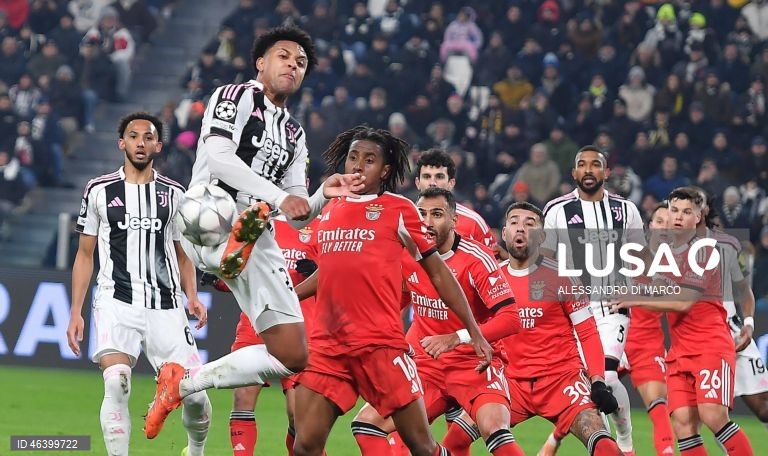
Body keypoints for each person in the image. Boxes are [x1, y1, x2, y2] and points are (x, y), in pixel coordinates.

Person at [143, 25, 364, 439]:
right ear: (261, 62)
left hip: (256, 232)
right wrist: (279, 199)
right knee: (223, 208)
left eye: (301, 63)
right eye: (284, 57)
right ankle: (231, 244)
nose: (293, 66)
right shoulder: (236, 96)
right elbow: (220, 157)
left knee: (293, 355)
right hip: (207, 212)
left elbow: (298, 215)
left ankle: (183, 382)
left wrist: (321, 195)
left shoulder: (295, 135)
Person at [292, 126, 492, 456]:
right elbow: (332, 272)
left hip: (379, 346)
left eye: (369, 160)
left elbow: (439, 273)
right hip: (329, 344)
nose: (358, 166)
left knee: (422, 446)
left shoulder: (399, 209)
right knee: (305, 447)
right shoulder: (329, 209)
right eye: (353, 157)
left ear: (385, 170)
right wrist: (288, 297)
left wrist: (474, 331)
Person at [65, 112, 211, 456]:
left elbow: (183, 253)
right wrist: (75, 311)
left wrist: (192, 296)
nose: (140, 142)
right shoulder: (99, 190)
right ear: (122, 143)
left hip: (166, 306)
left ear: (158, 146)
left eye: (148, 137)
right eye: (133, 136)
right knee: (116, 381)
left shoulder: (174, 194)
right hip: (117, 301)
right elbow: (85, 255)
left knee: (195, 393)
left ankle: (196, 449)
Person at [438, 202, 623, 456]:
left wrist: (598, 381)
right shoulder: (491, 277)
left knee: (604, 444)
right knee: (453, 441)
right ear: (504, 233)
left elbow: (588, 333)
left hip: (561, 380)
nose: (520, 229)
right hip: (509, 382)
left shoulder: (562, 276)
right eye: (514, 222)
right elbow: (479, 328)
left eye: (529, 224)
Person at [350, 187, 523, 456]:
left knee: (495, 429)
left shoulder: (476, 259)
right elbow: (401, 297)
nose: (427, 222)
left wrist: (456, 337)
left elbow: (511, 319)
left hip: (473, 364)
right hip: (427, 367)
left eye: (437, 214)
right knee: (366, 425)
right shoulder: (407, 253)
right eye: (421, 214)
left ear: (454, 220)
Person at [613, 187, 754, 455]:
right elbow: (657, 288)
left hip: (710, 347)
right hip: (679, 353)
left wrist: (634, 298)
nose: (677, 217)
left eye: (686, 212)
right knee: (683, 426)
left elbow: (683, 301)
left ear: (698, 217)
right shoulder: (666, 255)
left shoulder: (706, 250)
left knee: (713, 416)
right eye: (673, 210)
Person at [540, 146, 644, 454]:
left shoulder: (626, 210)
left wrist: (633, 290)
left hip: (612, 307)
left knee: (607, 377)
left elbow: (641, 258)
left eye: (595, 165)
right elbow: (544, 261)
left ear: (606, 172)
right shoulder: (557, 210)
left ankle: (624, 444)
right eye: (582, 165)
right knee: (589, 386)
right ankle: (607, 446)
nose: (588, 170)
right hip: (575, 310)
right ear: (573, 173)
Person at [224, 215, 319, 456]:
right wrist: (220, 280)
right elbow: (237, 268)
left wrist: (318, 270)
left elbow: (336, 273)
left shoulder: (322, 224)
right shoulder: (253, 220)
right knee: (243, 397)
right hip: (255, 322)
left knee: (298, 415)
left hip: (300, 327)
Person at [694, 189, 768, 428]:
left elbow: (745, 290)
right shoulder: (667, 247)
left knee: (764, 409)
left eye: (697, 205)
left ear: (706, 210)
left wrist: (748, 324)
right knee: (707, 415)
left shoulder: (727, 245)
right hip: (699, 340)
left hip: (733, 333)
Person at [623, 201, 676, 456]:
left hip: (646, 343)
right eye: (659, 221)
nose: (664, 227)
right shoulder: (626, 254)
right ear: (649, 225)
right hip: (613, 337)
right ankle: (554, 440)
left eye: (670, 222)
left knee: (658, 402)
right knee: (589, 404)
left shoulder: (678, 264)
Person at [414, 148, 496, 248]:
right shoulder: (403, 220)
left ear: (451, 183)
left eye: (439, 177)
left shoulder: (474, 223)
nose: (432, 183)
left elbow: (494, 260)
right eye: (427, 177)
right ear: (417, 183)